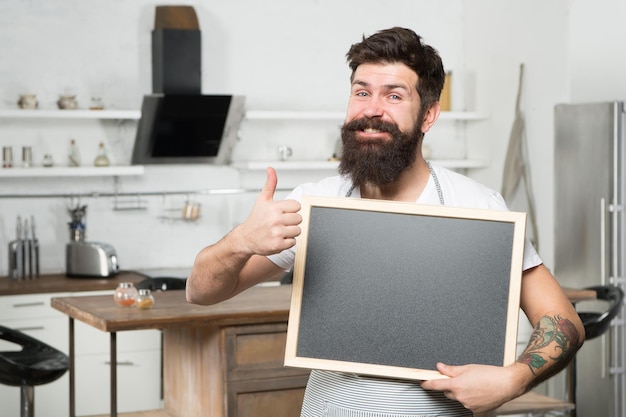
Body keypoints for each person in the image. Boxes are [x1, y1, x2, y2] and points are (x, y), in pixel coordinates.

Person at [186, 27, 584, 416]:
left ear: (428, 115)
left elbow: (562, 320)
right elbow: (201, 292)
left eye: (394, 95)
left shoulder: (479, 206)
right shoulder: (314, 202)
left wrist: (513, 379)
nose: (372, 110)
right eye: (362, 92)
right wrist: (241, 240)